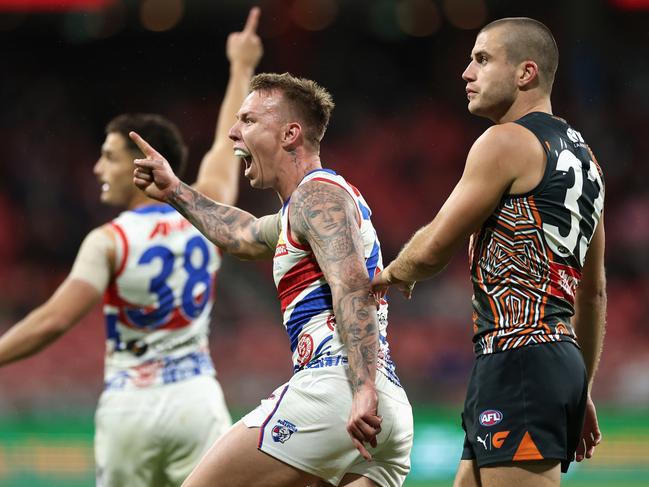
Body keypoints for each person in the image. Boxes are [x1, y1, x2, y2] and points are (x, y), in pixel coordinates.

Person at [0, 8, 263, 487]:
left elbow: (55, 319)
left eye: (108, 157)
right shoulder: (208, 219)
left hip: (131, 404)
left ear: (143, 163)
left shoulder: (108, 240)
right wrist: (241, 67)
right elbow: (228, 149)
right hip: (196, 401)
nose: (98, 169)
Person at [129, 71, 414, 487]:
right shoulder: (303, 208)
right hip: (387, 409)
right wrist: (175, 190)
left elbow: (353, 289)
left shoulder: (318, 197)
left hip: (338, 385)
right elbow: (242, 235)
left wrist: (362, 387)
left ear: (289, 134)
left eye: (248, 120)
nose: (232, 132)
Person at [371, 17, 606, 487]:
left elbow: (434, 248)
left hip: (519, 360)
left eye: (482, 59)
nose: (466, 72)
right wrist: (579, 388)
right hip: (539, 360)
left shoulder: (506, 142)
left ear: (525, 73)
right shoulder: (587, 159)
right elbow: (593, 292)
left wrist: (386, 275)